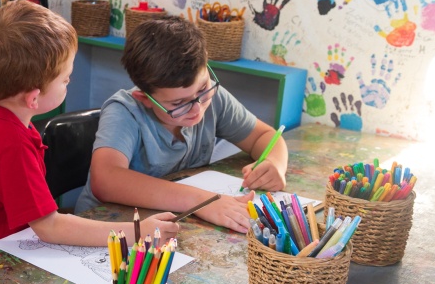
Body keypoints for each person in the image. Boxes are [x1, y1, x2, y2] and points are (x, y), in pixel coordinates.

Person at [0, 0, 179, 259]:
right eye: (66, 79)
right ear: (33, 99)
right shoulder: (11, 143)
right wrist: (138, 230)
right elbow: (50, 227)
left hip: (2, 247)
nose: (68, 83)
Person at [75, 16, 288, 233]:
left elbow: (265, 136)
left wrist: (275, 164)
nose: (196, 109)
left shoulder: (212, 97)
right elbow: (106, 180)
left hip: (172, 226)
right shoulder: (124, 112)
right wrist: (201, 201)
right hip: (108, 231)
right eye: (178, 103)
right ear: (145, 98)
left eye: (202, 87)